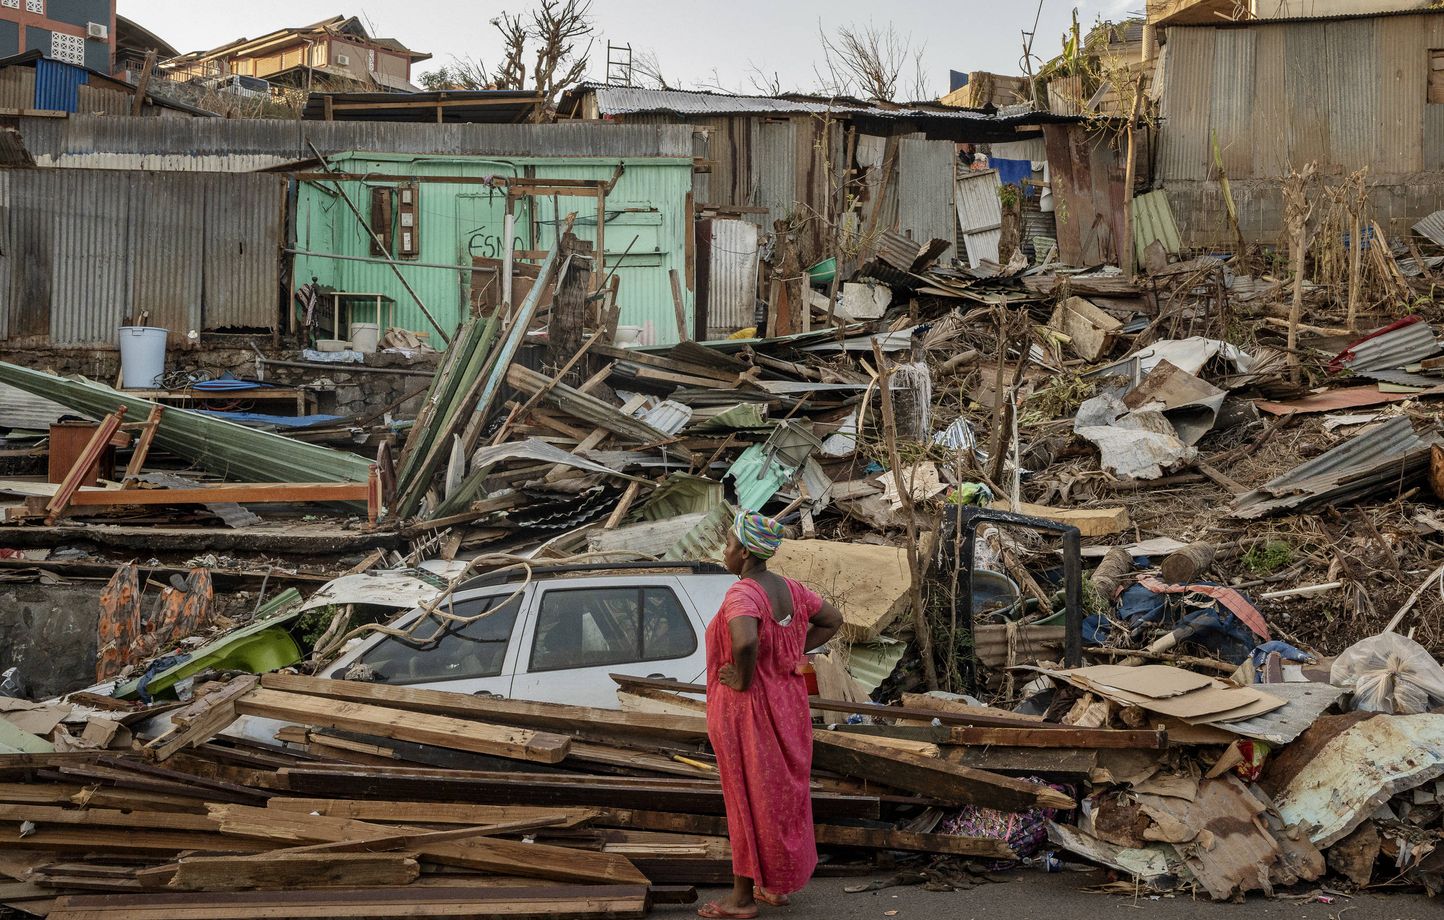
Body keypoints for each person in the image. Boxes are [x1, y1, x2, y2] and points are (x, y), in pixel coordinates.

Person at [698, 512, 844, 919]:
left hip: (749, 712)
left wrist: (744, 678)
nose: (724, 551)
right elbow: (832, 620)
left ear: (745, 552)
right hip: (789, 707)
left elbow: (744, 641)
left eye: (728, 544)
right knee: (780, 798)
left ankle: (742, 900)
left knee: (745, 798)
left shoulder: (742, 593)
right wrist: (791, 653)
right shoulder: (792, 590)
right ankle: (774, 887)